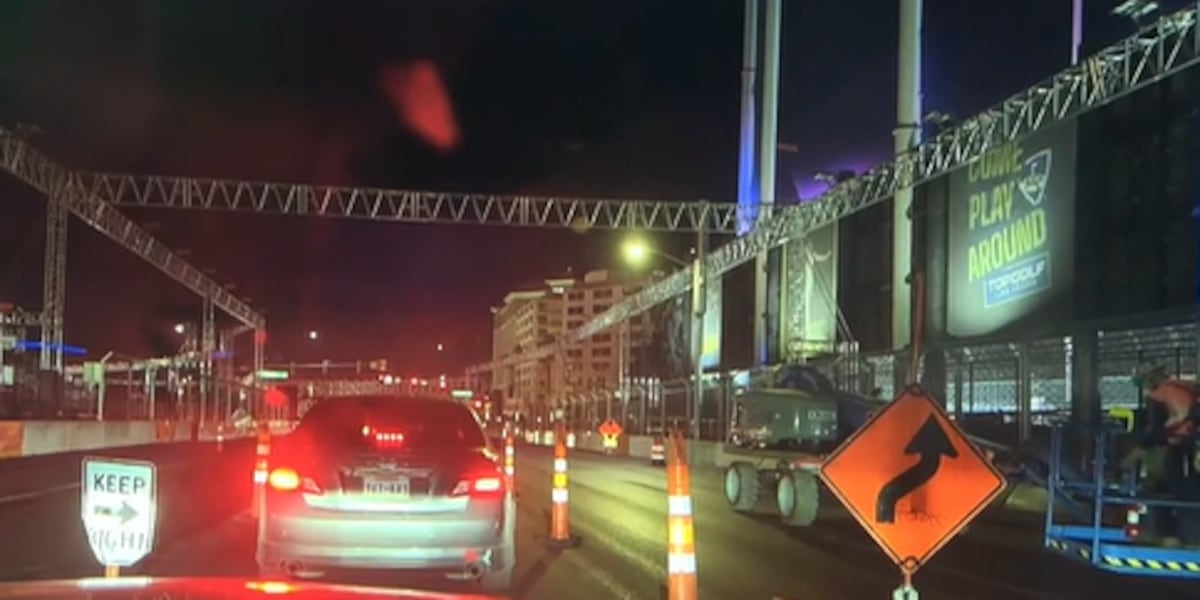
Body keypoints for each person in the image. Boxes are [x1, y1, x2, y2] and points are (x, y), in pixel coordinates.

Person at [1122, 364, 1200, 546]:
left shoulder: (1157, 397)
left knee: (1168, 489)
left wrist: (1129, 459)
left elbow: (1155, 432)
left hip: (1181, 446)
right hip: (1190, 444)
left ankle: (1176, 536)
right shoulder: (1185, 387)